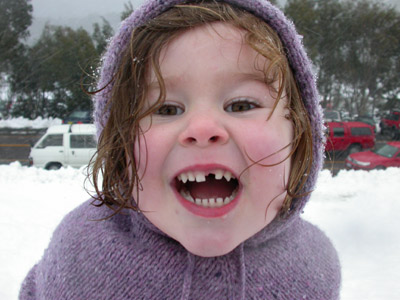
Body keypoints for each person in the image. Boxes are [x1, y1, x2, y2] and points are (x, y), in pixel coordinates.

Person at [19, 0, 341, 299]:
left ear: (298, 136)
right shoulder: (79, 255)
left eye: (242, 104)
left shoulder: (316, 266)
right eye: (166, 109)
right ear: (121, 148)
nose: (202, 129)